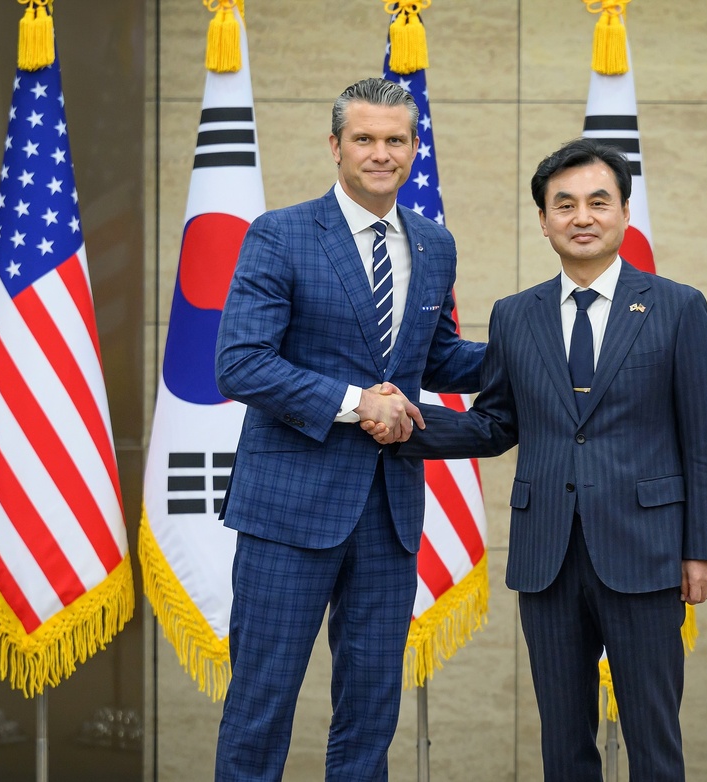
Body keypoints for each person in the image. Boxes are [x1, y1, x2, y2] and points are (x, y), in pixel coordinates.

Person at [380, 138, 707, 780]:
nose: (582, 217)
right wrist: (405, 427)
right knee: (564, 745)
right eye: (563, 204)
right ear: (543, 220)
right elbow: (496, 423)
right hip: (547, 558)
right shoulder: (515, 316)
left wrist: (701, 549)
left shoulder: (679, 308)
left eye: (599, 201)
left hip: (647, 554)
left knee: (655, 740)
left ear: (624, 213)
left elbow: (704, 439)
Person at [213, 77, 485, 782]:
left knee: (370, 714)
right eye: (364, 138)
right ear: (335, 146)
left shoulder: (434, 243)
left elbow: (440, 355)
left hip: (389, 513)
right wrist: (356, 400)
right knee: (260, 706)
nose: (380, 152)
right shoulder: (280, 233)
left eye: (396, 140)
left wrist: (544, 343)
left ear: (415, 150)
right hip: (287, 510)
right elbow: (240, 364)